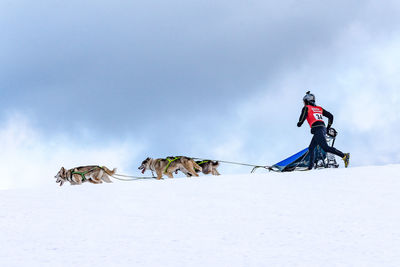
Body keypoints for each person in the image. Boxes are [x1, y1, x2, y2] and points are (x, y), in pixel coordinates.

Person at [297, 91, 350, 170]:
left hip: (318, 129)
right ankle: (310, 167)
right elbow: (331, 116)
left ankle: (344, 156)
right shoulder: (319, 108)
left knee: (325, 148)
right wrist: (328, 128)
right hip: (322, 129)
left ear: (307, 100)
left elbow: (302, 119)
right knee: (311, 148)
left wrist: (299, 123)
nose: (304, 103)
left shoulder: (306, 107)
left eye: (304, 101)